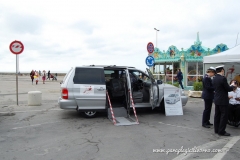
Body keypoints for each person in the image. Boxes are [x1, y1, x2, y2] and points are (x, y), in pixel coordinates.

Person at [212, 65, 236, 136]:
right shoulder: (223, 78)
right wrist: (232, 85)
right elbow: (228, 88)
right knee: (223, 116)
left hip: (217, 99)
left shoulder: (214, 78)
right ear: (222, 70)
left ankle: (216, 129)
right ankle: (221, 131)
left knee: (217, 115)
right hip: (223, 100)